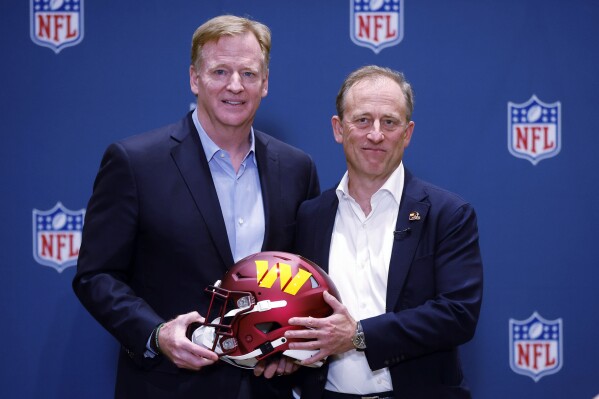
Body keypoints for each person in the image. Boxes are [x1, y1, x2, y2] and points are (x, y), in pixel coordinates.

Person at [72, 15, 319, 399]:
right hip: (169, 386)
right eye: (220, 71)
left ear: (265, 83)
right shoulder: (135, 163)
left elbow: (303, 280)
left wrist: (292, 348)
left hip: (266, 388)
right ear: (194, 78)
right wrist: (156, 334)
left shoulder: (296, 168)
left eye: (249, 74)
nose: (235, 85)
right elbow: (96, 275)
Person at [284, 65, 483, 398]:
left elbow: (458, 314)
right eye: (362, 120)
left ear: (407, 134)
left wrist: (359, 334)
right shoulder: (310, 216)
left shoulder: (448, 214)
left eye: (389, 122)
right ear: (338, 128)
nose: (375, 134)